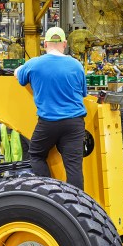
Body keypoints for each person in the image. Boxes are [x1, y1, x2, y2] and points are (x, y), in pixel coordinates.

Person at [15, 27, 87, 189]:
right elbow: (83, 93)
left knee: (36, 155)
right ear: (64, 44)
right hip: (74, 123)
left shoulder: (34, 64)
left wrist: (20, 69)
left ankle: (51, 192)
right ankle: (79, 204)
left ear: (45, 44)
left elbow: (18, 75)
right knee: (74, 166)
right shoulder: (76, 65)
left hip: (48, 123)